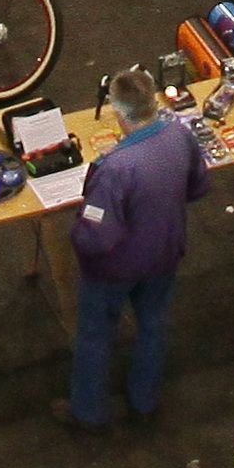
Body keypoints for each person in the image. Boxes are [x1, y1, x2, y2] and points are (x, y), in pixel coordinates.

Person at [66, 72, 209, 429]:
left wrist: (76, 233)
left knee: (95, 336)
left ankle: (89, 413)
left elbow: (96, 237)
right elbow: (197, 186)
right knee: (154, 326)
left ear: (118, 112)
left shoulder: (115, 168)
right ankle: (144, 401)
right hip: (164, 256)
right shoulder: (180, 136)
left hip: (114, 271)